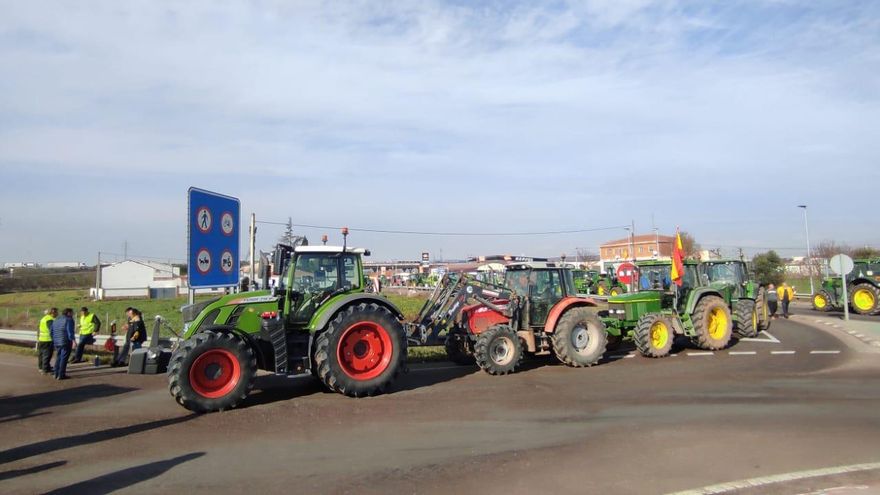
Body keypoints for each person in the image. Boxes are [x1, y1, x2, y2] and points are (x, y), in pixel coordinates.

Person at [51, 308, 76, 380]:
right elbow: (70, 331)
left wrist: (54, 339)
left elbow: (51, 331)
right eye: (72, 313)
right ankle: (61, 374)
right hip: (65, 341)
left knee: (58, 357)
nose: (73, 314)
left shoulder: (56, 320)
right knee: (64, 358)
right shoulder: (69, 320)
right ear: (68, 313)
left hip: (57, 341)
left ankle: (56, 373)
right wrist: (73, 341)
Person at [37, 307, 58, 374]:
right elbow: (51, 330)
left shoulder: (44, 318)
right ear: (52, 313)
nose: (57, 313)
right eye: (56, 312)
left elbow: (39, 329)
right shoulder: (50, 319)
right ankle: (45, 369)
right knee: (47, 355)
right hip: (48, 340)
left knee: (41, 354)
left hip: (41, 339)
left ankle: (41, 367)